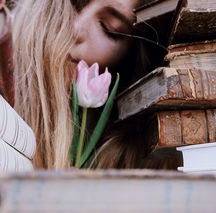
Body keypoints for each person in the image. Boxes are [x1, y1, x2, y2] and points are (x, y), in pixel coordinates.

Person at [12, 0, 178, 170]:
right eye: (74, 5)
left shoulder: (127, 163)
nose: (77, 28)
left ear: (128, 61)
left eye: (108, 27)